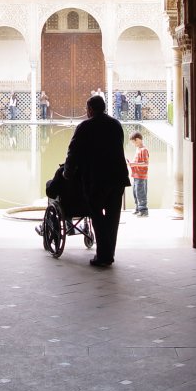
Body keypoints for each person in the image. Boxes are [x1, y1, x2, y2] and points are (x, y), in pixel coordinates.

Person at [63, 95, 130, 267]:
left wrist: (67, 172)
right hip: (117, 178)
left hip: (96, 179)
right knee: (113, 217)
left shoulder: (85, 126)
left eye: (87, 109)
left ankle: (104, 256)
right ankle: (109, 253)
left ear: (90, 109)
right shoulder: (115, 125)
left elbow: (74, 152)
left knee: (97, 217)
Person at [128, 131, 149, 217]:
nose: (134, 144)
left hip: (141, 176)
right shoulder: (138, 149)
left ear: (138, 140)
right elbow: (138, 161)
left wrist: (133, 164)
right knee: (135, 192)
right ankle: (138, 208)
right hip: (136, 174)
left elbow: (146, 163)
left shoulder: (144, 150)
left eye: (134, 142)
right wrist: (131, 163)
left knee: (140, 193)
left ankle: (143, 210)